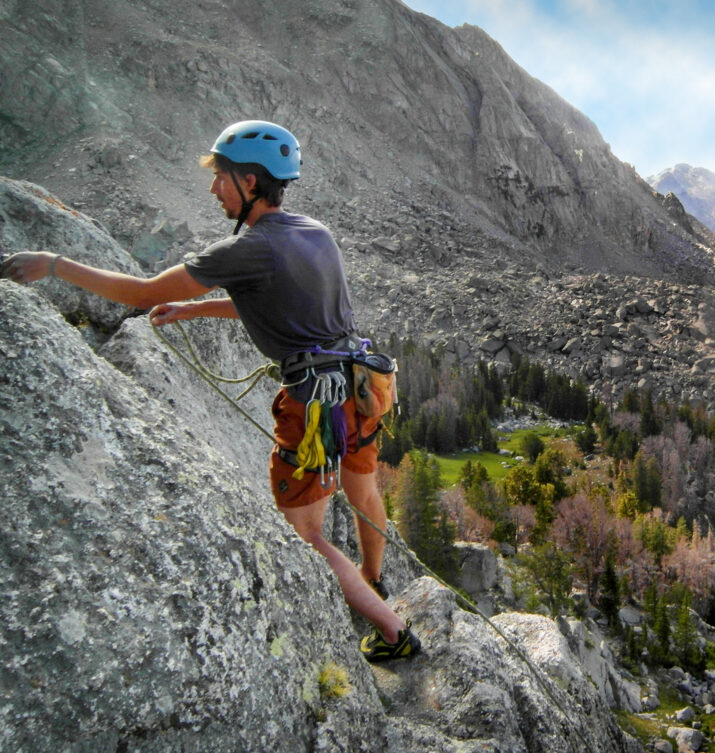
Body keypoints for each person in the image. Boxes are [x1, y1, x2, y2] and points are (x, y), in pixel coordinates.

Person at [2, 120, 415, 662]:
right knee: (364, 492)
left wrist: (54, 265)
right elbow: (279, 298)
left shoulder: (246, 249)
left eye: (219, 176)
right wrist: (197, 308)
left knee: (307, 535)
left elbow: (141, 291)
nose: (212, 188)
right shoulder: (313, 230)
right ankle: (374, 577)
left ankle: (393, 634)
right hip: (361, 387)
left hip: (313, 405)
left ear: (248, 181)